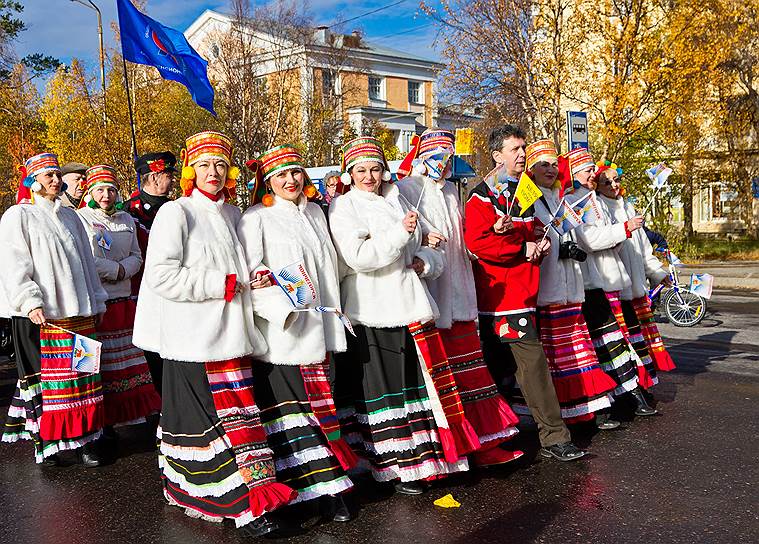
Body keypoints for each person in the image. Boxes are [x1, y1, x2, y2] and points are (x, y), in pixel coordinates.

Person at [132, 132, 296, 538]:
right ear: (191, 172)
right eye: (205, 165)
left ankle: (254, 496)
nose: (214, 173)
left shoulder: (233, 215)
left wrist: (254, 278)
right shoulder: (177, 213)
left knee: (241, 422)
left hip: (234, 337)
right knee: (210, 425)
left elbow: (244, 268)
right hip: (193, 341)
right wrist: (221, 283)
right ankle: (229, 501)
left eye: (221, 166)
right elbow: (161, 276)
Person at [330, 136, 470, 494]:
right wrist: (399, 234)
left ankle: (423, 459)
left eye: (375, 168)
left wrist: (426, 259)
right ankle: (391, 465)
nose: (369, 176)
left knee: (415, 387)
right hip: (374, 308)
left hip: (409, 302)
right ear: (349, 174)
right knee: (386, 390)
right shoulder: (345, 207)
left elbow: (421, 247)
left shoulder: (396, 199)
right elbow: (358, 257)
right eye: (360, 170)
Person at [238, 145, 356, 522]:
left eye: (296, 173)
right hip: (284, 336)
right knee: (295, 418)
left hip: (323, 329)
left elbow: (334, 267)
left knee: (326, 410)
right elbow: (251, 276)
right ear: (268, 181)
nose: (291, 181)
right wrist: (279, 305)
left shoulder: (317, 212)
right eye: (282, 175)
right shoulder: (255, 218)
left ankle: (330, 483)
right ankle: (309, 489)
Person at [396, 128, 522, 467]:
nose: (444, 162)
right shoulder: (407, 189)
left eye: (448, 156)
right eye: (437, 156)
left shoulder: (452, 190)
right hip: (434, 294)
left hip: (461, 289)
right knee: (444, 380)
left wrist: (489, 234)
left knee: (472, 372)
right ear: (423, 158)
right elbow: (405, 240)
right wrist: (423, 241)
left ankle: (484, 440)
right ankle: (453, 451)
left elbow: (465, 238)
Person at [464, 125, 586, 462]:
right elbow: (479, 243)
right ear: (496, 155)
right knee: (531, 368)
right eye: (515, 149)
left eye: (523, 148)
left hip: (523, 292)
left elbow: (532, 231)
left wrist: (541, 245)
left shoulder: (524, 191)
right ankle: (553, 436)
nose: (522, 155)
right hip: (501, 300)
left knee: (502, 371)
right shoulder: (480, 196)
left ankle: (500, 434)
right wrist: (523, 245)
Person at [0, 153, 108, 467]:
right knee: (51, 386)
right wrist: (29, 300)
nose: (56, 180)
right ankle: (51, 445)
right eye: (49, 175)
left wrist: (97, 300)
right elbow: (13, 265)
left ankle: (88, 439)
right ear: (32, 181)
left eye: (57, 174)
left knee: (86, 378)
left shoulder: (72, 216)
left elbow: (87, 264)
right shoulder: (19, 216)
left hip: (80, 313)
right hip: (44, 316)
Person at [527, 140, 617, 427]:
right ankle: (565, 412)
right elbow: (531, 239)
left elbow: (578, 236)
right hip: (549, 289)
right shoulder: (528, 200)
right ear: (532, 169)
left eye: (554, 164)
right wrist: (558, 249)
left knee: (578, 354)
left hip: (571, 287)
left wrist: (569, 246)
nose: (550, 170)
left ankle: (586, 409)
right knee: (556, 358)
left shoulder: (560, 199)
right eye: (543, 165)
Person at [76, 165, 161, 440]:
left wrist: (126, 269)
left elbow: (137, 254)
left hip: (124, 299)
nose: (106, 195)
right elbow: (86, 258)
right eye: (100, 189)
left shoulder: (126, 219)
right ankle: (100, 428)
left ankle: (142, 418)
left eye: (111, 190)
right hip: (98, 303)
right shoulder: (81, 219)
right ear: (90, 191)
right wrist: (114, 271)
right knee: (97, 367)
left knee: (131, 364)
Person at [569, 155, 658, 417]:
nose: (593, 175)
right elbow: (590, 240)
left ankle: (631, 392)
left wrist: (622, 232)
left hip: (610, 278)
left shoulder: (593, 199)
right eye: (588, 170)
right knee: (607, 344)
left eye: (593, 170)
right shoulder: (575, 199)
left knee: (620, 341)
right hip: (595, 282)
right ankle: (621, 397)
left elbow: (615, 241)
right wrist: (623, 229)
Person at [595, 165, 676, 378]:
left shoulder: (629, 207)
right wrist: (623, 229)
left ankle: (644, 381)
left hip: (636, 288)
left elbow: (643, 250)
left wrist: (658, 273)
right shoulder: (599, 207)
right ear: (598, 186)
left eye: (616, 180)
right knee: (622, 342)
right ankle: (630, 385)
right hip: (615, 288)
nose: (614, 185)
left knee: (639, 338)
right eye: (607, 182)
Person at [124, 151, 177, 395]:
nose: (173, 180)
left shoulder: (177, 208)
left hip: (173, 290)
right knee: (148, 352)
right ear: (154, 177)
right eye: (168, 175)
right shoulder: (129, 213)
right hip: (140, 291)